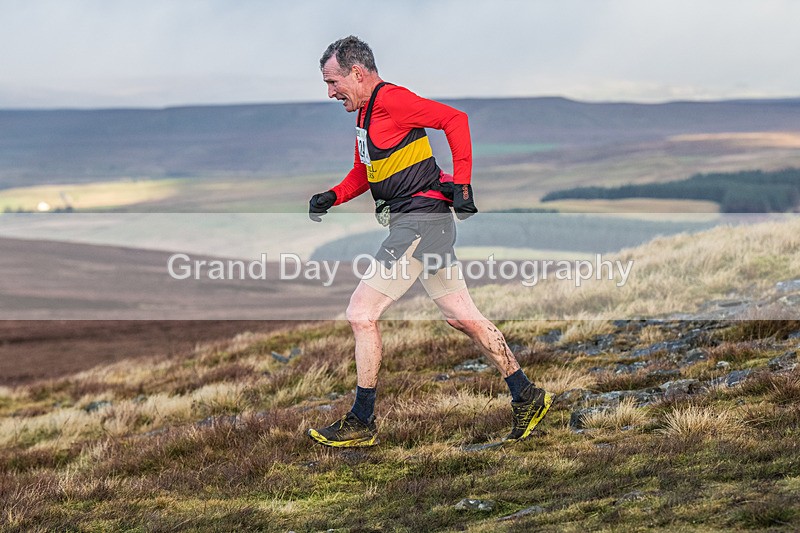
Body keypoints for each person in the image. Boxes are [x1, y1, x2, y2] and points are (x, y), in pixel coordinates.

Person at [306, 35, 552, 447]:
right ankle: (526, 394)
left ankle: (361, 422)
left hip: (419, 225)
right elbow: (364, 174)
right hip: (424, 225)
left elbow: (455, 119)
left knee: (361, 313)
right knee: (462, 316)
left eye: (333, 82)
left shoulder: (393, 100)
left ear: (357, 72)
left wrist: (465, 184)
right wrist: (332, 196)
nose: (330, 92)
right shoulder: (364, 115)